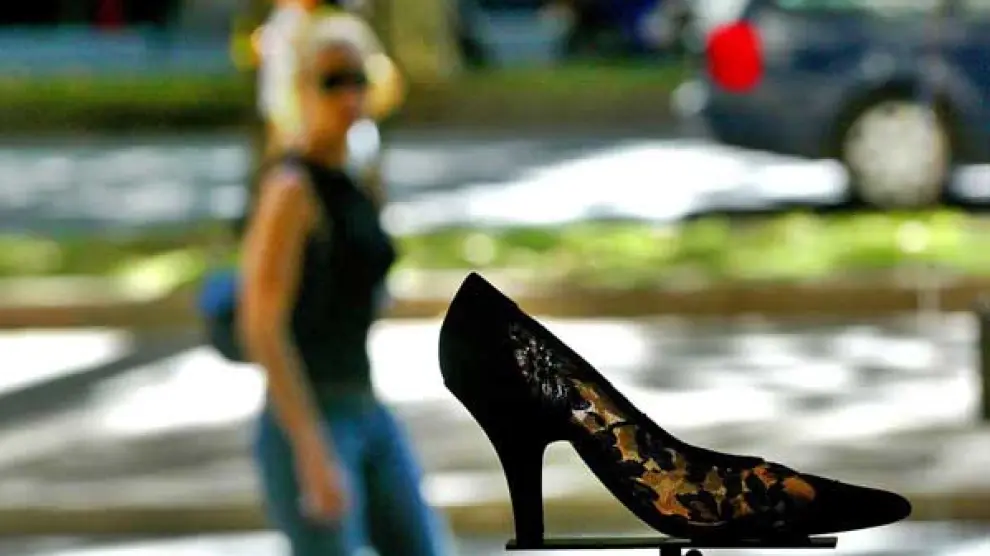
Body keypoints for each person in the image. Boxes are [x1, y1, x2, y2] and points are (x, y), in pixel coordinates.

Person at [237, 14, 449, 556]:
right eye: (332, 82)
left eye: (358, 79)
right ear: (302, 89)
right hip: (309, 415)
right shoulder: (291, 188)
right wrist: (310, 450)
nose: (348, 96)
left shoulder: (358, 178)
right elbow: (261, 326)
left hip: (366, 403)